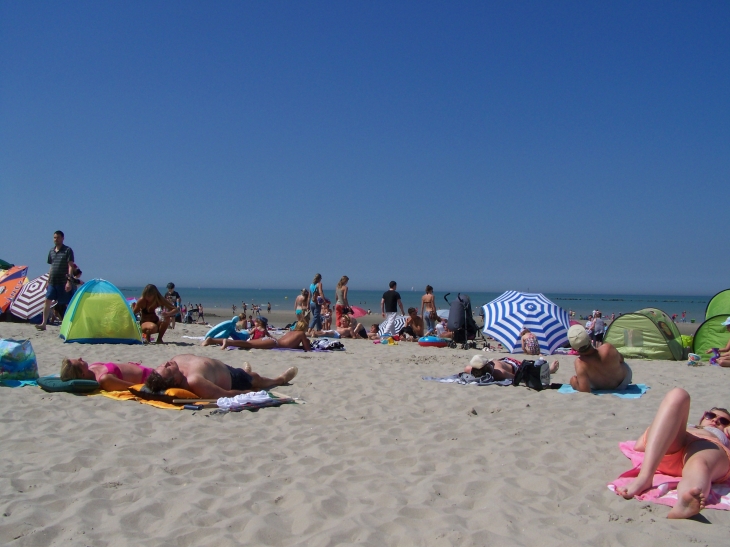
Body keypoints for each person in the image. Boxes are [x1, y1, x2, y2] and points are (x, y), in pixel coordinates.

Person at [616, 388, 730, 519]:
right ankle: (645, 477)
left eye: (724, 421)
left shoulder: (724, 437)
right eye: (711, 415)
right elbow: (639, 445)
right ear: (703, 417)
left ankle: (687, 499)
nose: (715, 420)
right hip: (675, 445)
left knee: (699, 462)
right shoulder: (686, 425)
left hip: (708, 445)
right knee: (678, 394)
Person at [143, 354, 299, 399]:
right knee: (254, 378)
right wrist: (251, 393)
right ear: (175, 380)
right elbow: (223, 395)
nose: (167, 364)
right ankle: (280, 380)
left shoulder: (174, 362)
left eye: (163, 365)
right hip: (233, 379)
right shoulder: (194, 381)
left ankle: (245, 370)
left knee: (246, 372)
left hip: (223, 368)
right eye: (167, 369)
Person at [567, 324, 632, 392]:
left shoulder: (580, 363)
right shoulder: (607, 348)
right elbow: (621, 359)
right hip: (623, 382)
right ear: (589, 338)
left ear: (573, 348)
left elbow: (585, 390)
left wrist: (574, 383)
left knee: (583, 378)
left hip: (601, 387)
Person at [37, 230, 76, 330]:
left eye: (58, 237)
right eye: (54, 237)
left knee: (68, 303)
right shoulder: (51, 251)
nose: (56, 239)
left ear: (63, 238)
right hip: (52, 281)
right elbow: (52, 267)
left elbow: (70, 266)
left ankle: (71, 324)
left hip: (63, 282)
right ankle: (44, 323)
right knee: (47, 300)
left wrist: (69, 281)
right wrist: (47, 280)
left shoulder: (67, 250)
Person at [202, 319, 312, 351]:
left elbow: (291, 344)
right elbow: (308, 349)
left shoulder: (290, 332)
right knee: (248, 345)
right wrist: (306, 342)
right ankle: (227, 342)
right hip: (274, 343)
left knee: (247, 343)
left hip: (270, 340)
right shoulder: (301, 334)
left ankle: (212, 340)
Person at [60, 357, 154, 391]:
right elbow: (134, 387)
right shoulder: (104, 379)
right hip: (150, 377)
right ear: (82, 375)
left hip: (145, 369)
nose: (80, 358)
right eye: (78, 362)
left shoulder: (93, 366)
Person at [465, 355, 558, 381]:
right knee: (529, 371)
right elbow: (518, 377)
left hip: (509, 363)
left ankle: (548, 368)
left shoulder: (499, 372)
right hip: (509, 364)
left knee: (530, 368)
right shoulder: (498, 372)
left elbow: (516, 376)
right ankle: (549, 370)